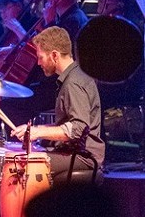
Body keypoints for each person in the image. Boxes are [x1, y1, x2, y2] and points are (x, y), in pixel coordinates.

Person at [9, 26, 104, 180]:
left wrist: (39, 133)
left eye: (40, 57)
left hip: (82, 157)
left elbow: (78, 128)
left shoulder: (73, 83)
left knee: (20, 165)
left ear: (54, 55)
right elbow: (69, 124)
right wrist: (35, 129)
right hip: (73, 152)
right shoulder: (73, 77)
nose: (38, 63)